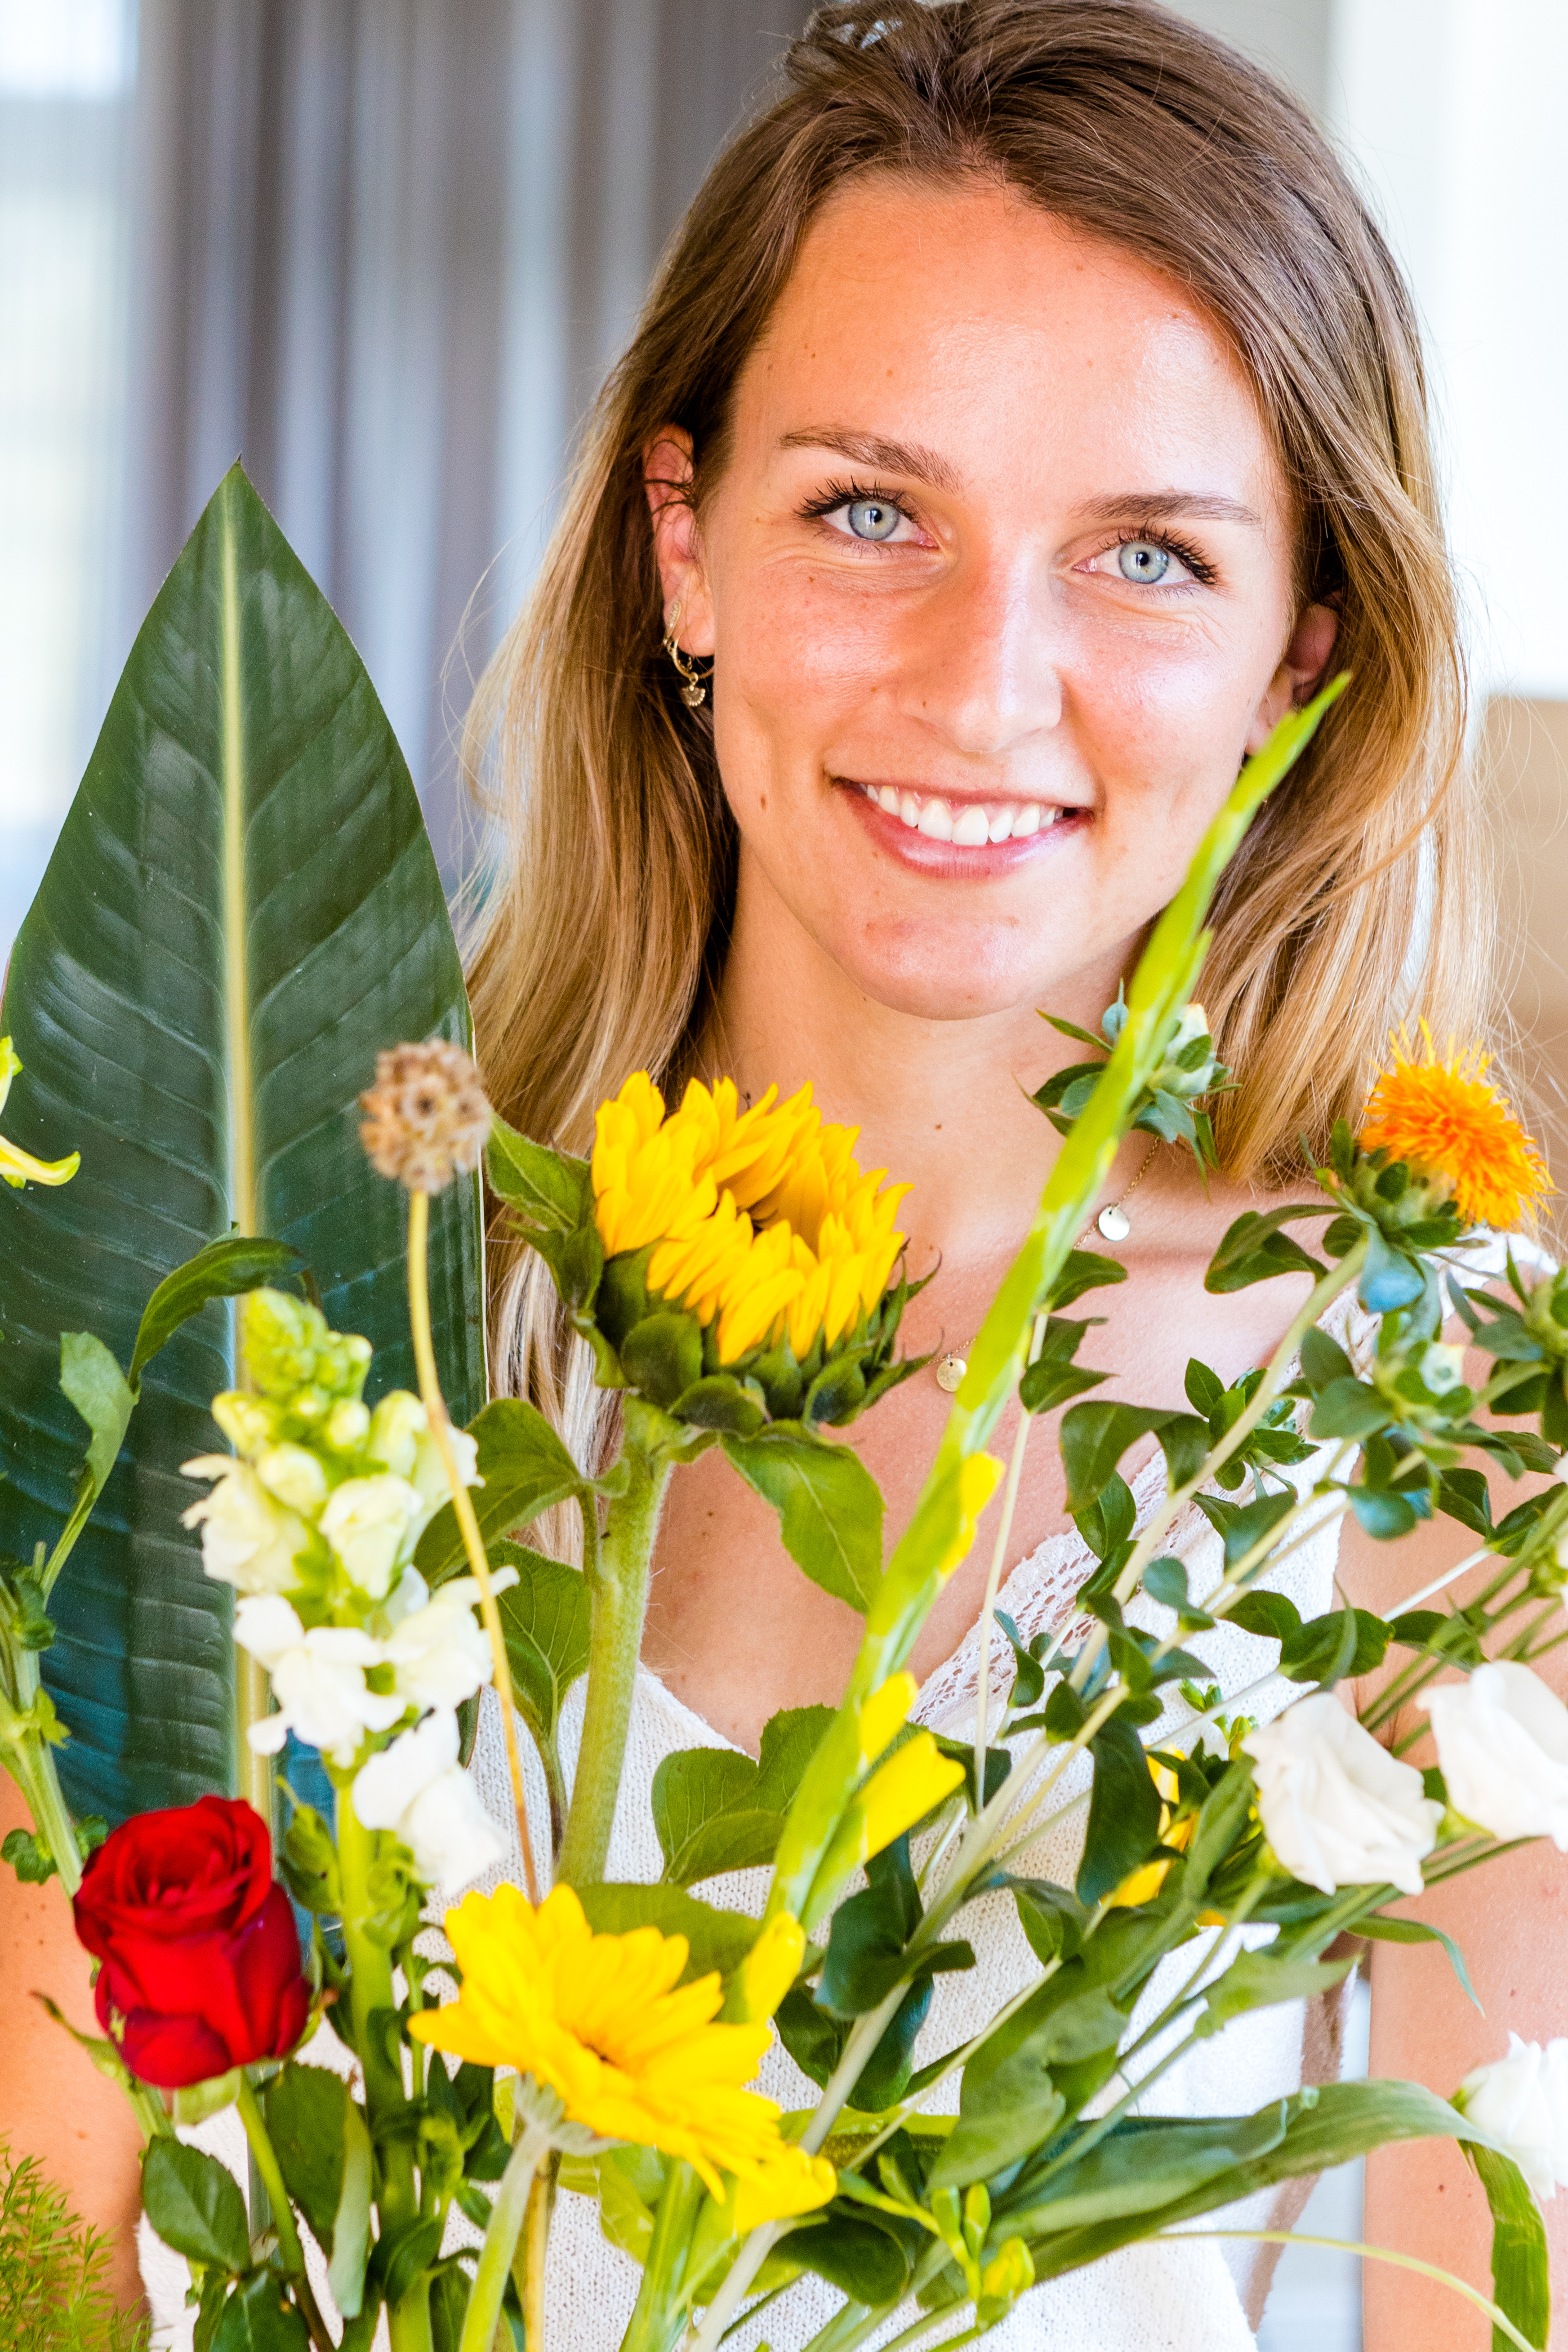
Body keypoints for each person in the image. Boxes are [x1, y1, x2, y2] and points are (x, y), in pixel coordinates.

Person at [5, 5, 1556, 2345]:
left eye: (1145, 556)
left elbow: (1473, 2296)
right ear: (679, 546)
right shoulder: (274, 1298)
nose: (981, 682)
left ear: (1295, 664)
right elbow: (54, 2251)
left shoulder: (1440, 1427)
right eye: (867, 510)